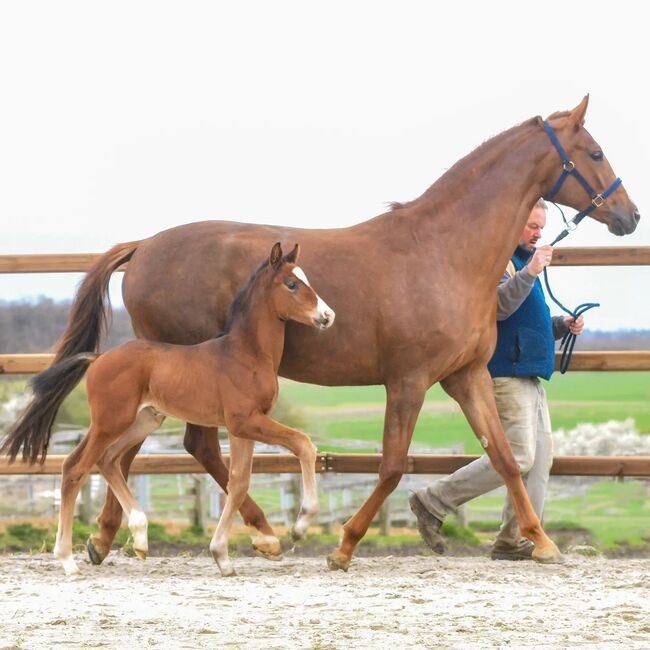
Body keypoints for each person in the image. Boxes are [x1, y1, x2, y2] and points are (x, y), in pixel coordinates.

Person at [409, 198, 585, 560]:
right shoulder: (499, 261)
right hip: (506, 371)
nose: (538, 234)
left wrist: (560, 327)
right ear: (513, 222)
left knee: (540, 459)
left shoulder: (521, 261)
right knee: (518, 456)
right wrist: (531, 272)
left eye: (541, 227)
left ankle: (512, 540)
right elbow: (499, 308)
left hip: (528, 371)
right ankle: (433, 500)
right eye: (532, 226)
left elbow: (524, 320)